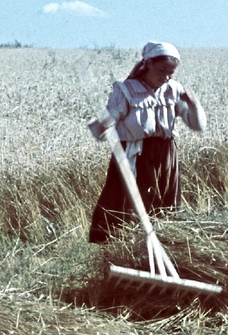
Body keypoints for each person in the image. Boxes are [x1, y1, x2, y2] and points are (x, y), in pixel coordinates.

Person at [87, 41, 207, 243]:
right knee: (128, 205)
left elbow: (198, 126)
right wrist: (104, 125)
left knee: (164, 205)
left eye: (171, 73)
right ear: (148, 64)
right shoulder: (126, 91)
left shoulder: (173, 90)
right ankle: (125, 250)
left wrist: (194, 105)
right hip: (136, 156)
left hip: (166, 156)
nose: (166, 77)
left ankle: (162, 246)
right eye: (162, 71)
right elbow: (104, 128)